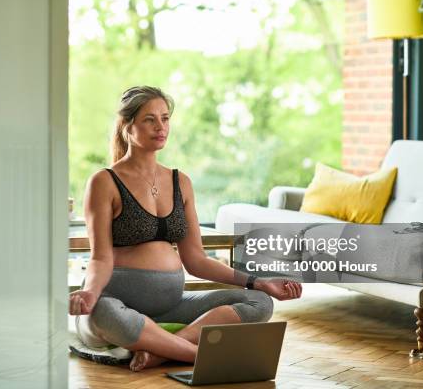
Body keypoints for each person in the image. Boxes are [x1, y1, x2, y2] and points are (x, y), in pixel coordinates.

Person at [69, 86, 302, 372]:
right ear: (127, 126)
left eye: (165, 119)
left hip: (171, 304)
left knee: (258, 302)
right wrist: (90, 293)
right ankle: (200, 355)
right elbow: (100, 258)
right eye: (149, 120)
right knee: (103, 313)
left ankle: (162, 351)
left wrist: (258, 281)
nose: (160, 127)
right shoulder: (104, 182)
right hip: (117, 301)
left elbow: (197, 261)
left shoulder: (181, 182)